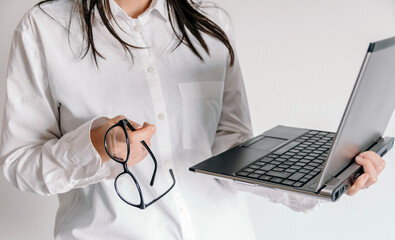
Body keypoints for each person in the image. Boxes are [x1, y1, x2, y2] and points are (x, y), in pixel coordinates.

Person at [0, 0, 386, 239]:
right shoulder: (43, 30)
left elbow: (232, 147)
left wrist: (323, 175)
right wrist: (96, 147)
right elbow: (19, 164)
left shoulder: (210, 20)